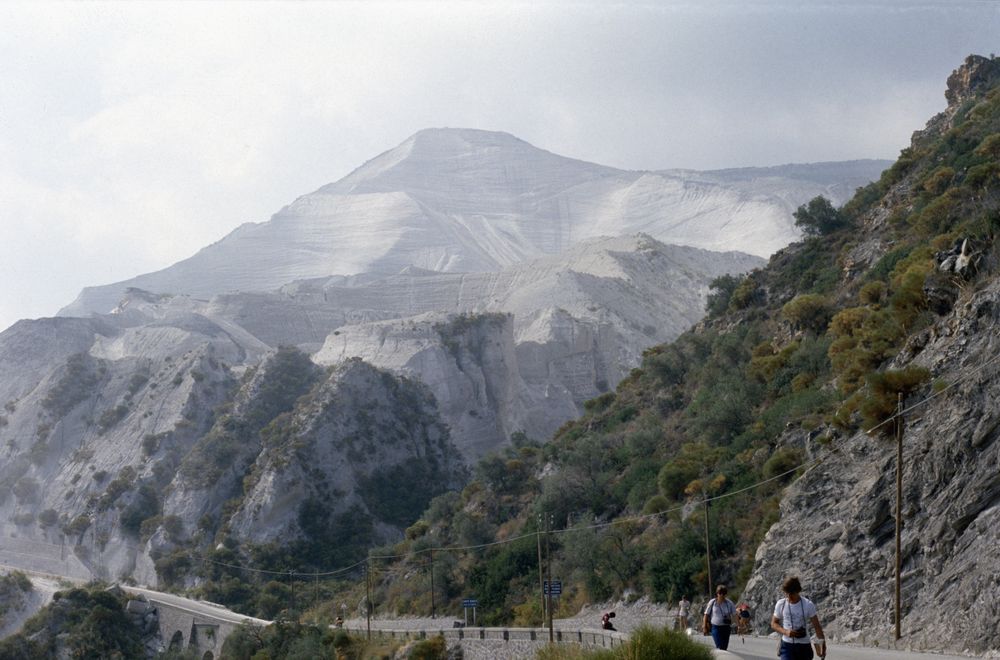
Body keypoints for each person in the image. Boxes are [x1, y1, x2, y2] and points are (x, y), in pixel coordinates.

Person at [771, 576, 826, 660]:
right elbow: (773, 623)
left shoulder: (808, 605)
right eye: (787, 593)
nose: (789, 596)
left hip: (804, 647)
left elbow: (817, 626)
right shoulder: (781, 604)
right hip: (787, 646)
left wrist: (822, 644)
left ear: (798, 591)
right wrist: (785, 632)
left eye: (791, 593)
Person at [703, 584, 736, 650]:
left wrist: (739, 626)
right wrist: (704, 627)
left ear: (726, 594)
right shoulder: (712, 602)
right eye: (720, 593)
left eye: (723, 593)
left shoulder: (729, 603)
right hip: (716, 627)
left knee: (724, 647)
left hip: (726, 628)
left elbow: (735, 615)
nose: (721, 595)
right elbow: (706, 614)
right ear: (717, 593)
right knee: (719, 646)